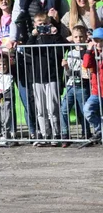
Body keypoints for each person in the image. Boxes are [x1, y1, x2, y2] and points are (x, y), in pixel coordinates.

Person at [23, 11, 65, 143]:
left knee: (52, 107)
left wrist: (56, 33)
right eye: (40, 24)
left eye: (45, 24)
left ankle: (56, 134)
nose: (43, 27)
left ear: (49, 23)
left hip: (52, 76)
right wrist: (33, 35)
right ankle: (45, 134)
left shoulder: (53, 37)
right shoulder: (34, 39)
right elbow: (27, 49)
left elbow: (61, 50)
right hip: (37, 78)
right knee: (40, 109)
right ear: (35, 25)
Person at [60, 24, 90, 143]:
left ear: (85, 37)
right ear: (72, 37)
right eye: (76, 37)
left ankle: (86, 133)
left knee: (83, 110)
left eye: (81, 37)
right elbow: (68, 73)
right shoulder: (71, 53)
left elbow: (87, 71)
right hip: (70, 85)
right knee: (64, 109)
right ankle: (65, 134)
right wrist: (66, 67)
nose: (79, 39)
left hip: (83, 86)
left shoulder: (88, 52)